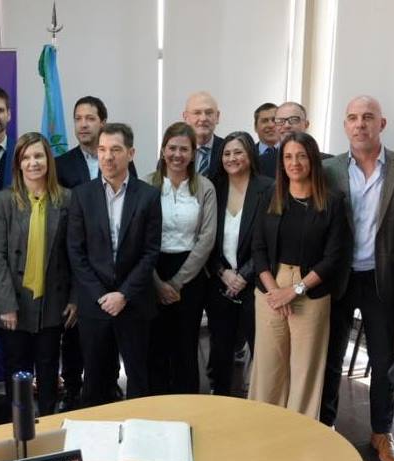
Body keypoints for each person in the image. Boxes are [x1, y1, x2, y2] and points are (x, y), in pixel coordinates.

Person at [321, 95, 394, 461]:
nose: (360, 123)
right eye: (352, 117)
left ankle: (382, 432)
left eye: (368, 117)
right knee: (330, 357)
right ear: (345, 125)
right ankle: (325, 426)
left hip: (384, 279)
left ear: (382, 123)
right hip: (338, 277)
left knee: (385, 360)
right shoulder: (329, 169)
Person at [249, 133, 351, 419]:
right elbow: (257, 247)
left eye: (301, 156)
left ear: (313, 160)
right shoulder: (269, 196)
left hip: (311, 290)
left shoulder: (332, 202)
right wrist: (275, 292)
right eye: (288, 157)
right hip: (270, 286)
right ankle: (262, 424)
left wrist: (294, 291)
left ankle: (300, 431)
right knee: (268, 367)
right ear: (281, 163)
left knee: (305, 369)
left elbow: (333, 257)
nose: (294, 162)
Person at [67, 123, 162, 405]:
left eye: (116, 150)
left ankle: (138, 428)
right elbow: (76, 251)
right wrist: (101, 295)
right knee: (95, 380)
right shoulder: (82, 195)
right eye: (102, 150)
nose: (108, 157)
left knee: (138, 377)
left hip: (134, 303)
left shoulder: (148, 196)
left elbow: (150, 252)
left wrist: (123, 294)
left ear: (130, 153)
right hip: (94, 305)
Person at [54, 96, 133, 410]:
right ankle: (73, 390)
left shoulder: (122, 160)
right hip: (76, 265)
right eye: (78, 118)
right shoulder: (62, 165)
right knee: (74, 334)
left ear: (103, 122)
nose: (83, 124)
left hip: (111, 269)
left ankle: (110, 386)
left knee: (109, 336)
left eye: (90, 118)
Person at [0, 132, 75, 416]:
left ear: (49, 160)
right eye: (26, 157)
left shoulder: (66, 199)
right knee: (17, 369)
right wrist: (6, 304)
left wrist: (74, 298)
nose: (33, 162)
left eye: (38, 156)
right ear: (18, 163)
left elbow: (75, 255)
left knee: (48, 367)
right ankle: (20, 424)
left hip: (52, 302)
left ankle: (48, 421)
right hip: (14, 304)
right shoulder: (3, 201)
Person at [146, 122, 217, 394]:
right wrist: (157, 283)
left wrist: (176, 283)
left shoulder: (205, 187)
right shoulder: (146, 184)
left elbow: (206, 239)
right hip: (152, 268)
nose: (177, 154)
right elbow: (139, 239)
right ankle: (155, 403)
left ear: (193, 153)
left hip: (191, 274)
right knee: (155, 343)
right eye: (172, 148)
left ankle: (187, 403)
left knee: (186, 344)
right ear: (163, 150)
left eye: (184, 149)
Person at [208, 132, 274, 397]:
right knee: (220, 346)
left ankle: (260, 401)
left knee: (260, 347)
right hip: (219, 281)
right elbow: (204, 237)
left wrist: (244, 275)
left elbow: (270, 240)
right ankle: (219, 396)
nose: (232, 158)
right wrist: (223, 272)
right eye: (226, 153)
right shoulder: (214, 188)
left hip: (255, 282)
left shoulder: (268, 189)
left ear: (250, 155)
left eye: (238, 152)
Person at [261, 102, 332, 177]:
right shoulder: (261, 163)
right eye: (280, 121)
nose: (287, 125)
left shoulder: (328, 163)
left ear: (306, 124)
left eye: (294, 120)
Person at [182, 92, 225, 182]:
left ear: (217, 117)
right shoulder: (174, 153)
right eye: (197, 113)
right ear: (186, 118)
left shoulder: (227, 150)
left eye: (209, 113)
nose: (203, 118)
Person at [253, 102, 279, 172]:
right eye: (264, 121)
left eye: (274, 120)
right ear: (255, 127)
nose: (271, 125)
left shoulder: (290, 153)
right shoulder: (248, 155)